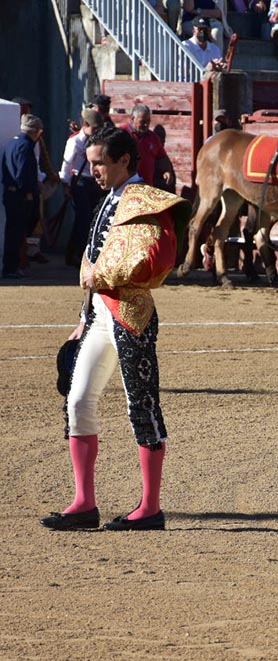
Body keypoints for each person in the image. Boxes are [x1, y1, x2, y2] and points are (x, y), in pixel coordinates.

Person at [40, 127, 190, 532]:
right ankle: (84, 503)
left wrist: (101, 277)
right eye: (90, 164)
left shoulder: (146, 201)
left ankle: (150, 509)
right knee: (77, 400)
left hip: (131, 314)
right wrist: (83, 317)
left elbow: (155, 263)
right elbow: (93, 258)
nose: (93, 172)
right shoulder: (111, 199)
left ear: (124, 160)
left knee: (140, 405)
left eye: (100, 163)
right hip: (99, 316)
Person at [60, 109, 105, 267]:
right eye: (94, 128)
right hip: (79, 182)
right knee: (83, 219)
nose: (97, 131)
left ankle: (81, 253)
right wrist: (65, 185)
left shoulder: (97, 140)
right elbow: (67, 164)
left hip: (93, 182)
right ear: (85, 125)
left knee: (92, 219)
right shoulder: (75, 141)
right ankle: (77, 253)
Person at [2, 114, 44, 279]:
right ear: (37, 132)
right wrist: (27, 193)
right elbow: (23, 173)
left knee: (13, 231)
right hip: (20, 197)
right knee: (17, 233)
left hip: (10, 194)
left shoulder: (12, 143)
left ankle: (11, 266)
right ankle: (11, 267)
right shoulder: (26, 146)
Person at [121, 105, 176, 192]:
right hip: (126, 188)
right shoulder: (122, 133)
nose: (146, 125)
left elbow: (161, 156)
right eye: (142, 122)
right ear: (132, 118)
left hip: (147, 188)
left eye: (148, 121)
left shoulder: (153, 137)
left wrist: (166, 170)